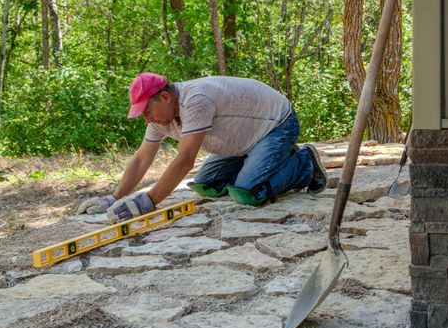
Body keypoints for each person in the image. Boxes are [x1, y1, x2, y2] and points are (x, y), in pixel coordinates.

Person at [77, 73, 327, 222]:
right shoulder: (160, 119)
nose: (147, 119)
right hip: (245, 139)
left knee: (248, 192)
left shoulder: (195, 101)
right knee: (206, 184)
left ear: (165, 97)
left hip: (277, 124)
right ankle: (266, 160)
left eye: (147, 111)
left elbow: (185, 159)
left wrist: (148, 202)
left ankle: (303, 163)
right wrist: (114, 197)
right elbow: (142, 159)